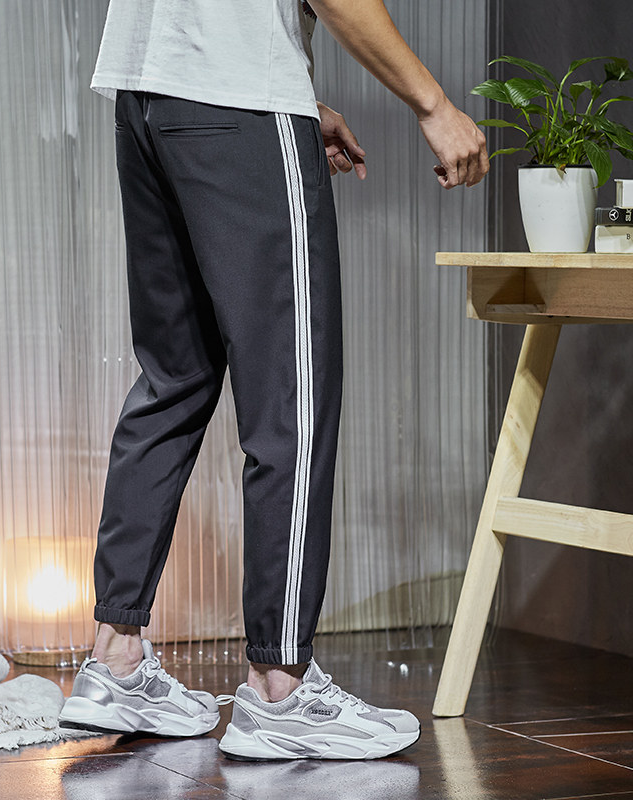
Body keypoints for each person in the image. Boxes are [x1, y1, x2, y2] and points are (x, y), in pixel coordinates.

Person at [58, 0, 488, 761]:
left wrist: (289, 90)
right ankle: (280, 687)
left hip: (147, 93)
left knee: (174, 379)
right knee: (295, 393)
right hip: (238, 100)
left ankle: (114, 659)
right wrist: (434, 104)